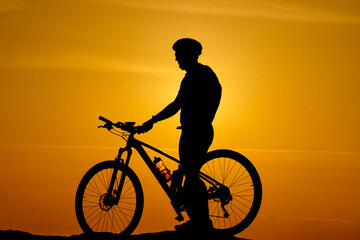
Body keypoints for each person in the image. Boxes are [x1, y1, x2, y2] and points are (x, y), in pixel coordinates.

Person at [141, 38, 222, 233]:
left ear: (188, 55)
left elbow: (180, 104)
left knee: (192, 175)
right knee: (188, 174)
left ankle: (202, 223)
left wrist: (204, 118)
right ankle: (198, 221)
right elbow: (178, 104)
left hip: (198, 131)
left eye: (178, 55)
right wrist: (154, 120)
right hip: (191, 131)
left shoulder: (201, 74)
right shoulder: (191, 77)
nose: (176, 59)